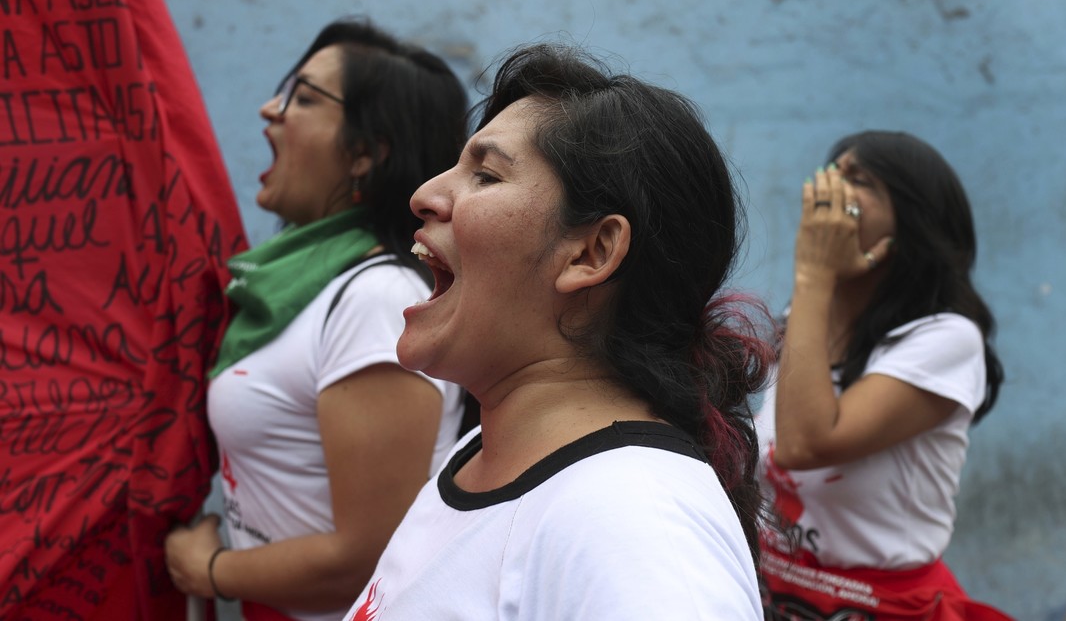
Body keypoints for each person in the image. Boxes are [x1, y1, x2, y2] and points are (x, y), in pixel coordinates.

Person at [339, 43, 773, 621]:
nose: (424, 196)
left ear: (591, 253)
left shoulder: (634, 523)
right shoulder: (481, 455)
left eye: (486, 175)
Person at [163, 17, 469, 621]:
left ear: (365, 153)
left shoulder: (375, 298)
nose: (269, 109)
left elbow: (368, 557)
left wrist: (209, 570)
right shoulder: (298, 286)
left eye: (302, 98)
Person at [755, 131, 1011, 619]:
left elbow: (804, 446)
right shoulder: (802, 321)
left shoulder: (947, 339)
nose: (832, 190)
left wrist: (813, 275)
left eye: (859, 180)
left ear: (911, 222)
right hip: (777, 596)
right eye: (832, 172)